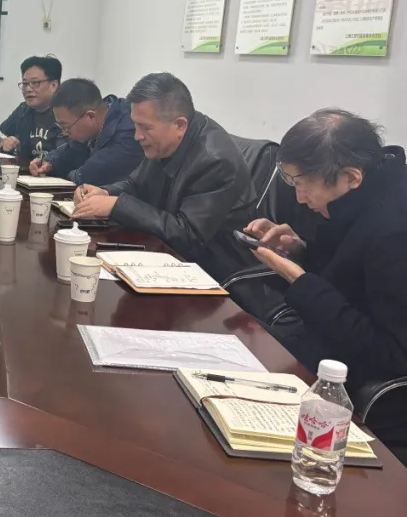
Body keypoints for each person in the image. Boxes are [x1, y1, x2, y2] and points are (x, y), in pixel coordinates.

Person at [246, 110, 407, 457]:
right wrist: (301, 250)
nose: (300, 197)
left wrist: (298, 279)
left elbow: (390, 352)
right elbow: (349, 274)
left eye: (303, 184)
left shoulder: (395, 229)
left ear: (350, 176)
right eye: (292, 182)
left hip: (359, 380)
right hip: (323, 346)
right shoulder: (361, 196)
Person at [72, 72, 255, 281]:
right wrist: (105, 193)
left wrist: (116, 205)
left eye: (145, 127)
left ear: (180, 125)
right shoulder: (164, 141)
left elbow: (188, 235)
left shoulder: (217, 161)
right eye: (135, 125)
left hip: (211, 273)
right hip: (162, 255)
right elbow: (136, 184)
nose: (137, 136)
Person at [29, 78, 144, 186]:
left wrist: (70, 174)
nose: (64, 133)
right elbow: (70, 151)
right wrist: (48, 163)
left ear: (90, 116)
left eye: (66, 127)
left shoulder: (129, 131)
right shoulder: (90, 128)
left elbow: (88, 176)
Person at [0, 55, 86, 167]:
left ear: (53, 85)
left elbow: (74, 151)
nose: (28, 89)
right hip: (27, 174)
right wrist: (3, 141)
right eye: (25, 83)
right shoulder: (23, 111)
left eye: (35, 83)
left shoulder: (67, 112)